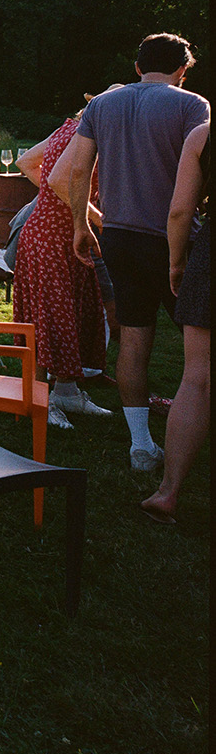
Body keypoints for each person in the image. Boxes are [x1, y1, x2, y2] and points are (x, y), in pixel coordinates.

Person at [58, 33, 211, 472]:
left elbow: (78, 169)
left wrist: (80, 223)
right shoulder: (192, 105)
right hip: (175, 238)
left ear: (138, 67)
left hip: (119, 236)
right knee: (198, 347)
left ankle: (141, 445)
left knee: (134, 338)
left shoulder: (102, 105)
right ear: (182, 69)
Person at [13, 109, 110, 423]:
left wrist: (55, 202)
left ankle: (66, 393)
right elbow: (59, 183)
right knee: (48, 317)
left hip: (56, 234)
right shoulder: (91, 133)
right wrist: (99, 220)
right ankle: (41, 402)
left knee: (71, 312)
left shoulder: (70, 127)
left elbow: (26, 162)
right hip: (50, 238)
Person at [141, 122, 209, 524]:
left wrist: (177, 261)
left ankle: (168, 493)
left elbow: (181, 210)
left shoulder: (204, 136)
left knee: (197, 379)